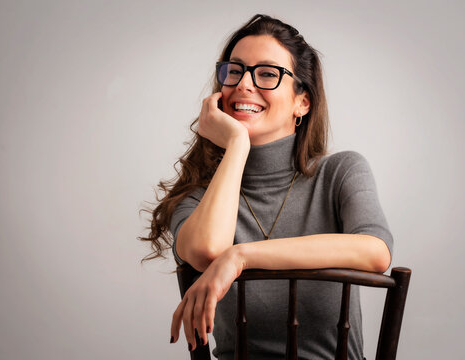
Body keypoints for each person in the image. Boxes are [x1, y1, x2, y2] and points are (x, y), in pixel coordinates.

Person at [141, 14, 393, 360]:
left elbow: (375, 252)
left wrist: (241, 256)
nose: (244, 84)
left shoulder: (339, 172)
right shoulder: (199, 197)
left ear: (302, 101)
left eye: (267, 74)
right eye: (235, 71)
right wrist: (237, 145)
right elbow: (205, 250)